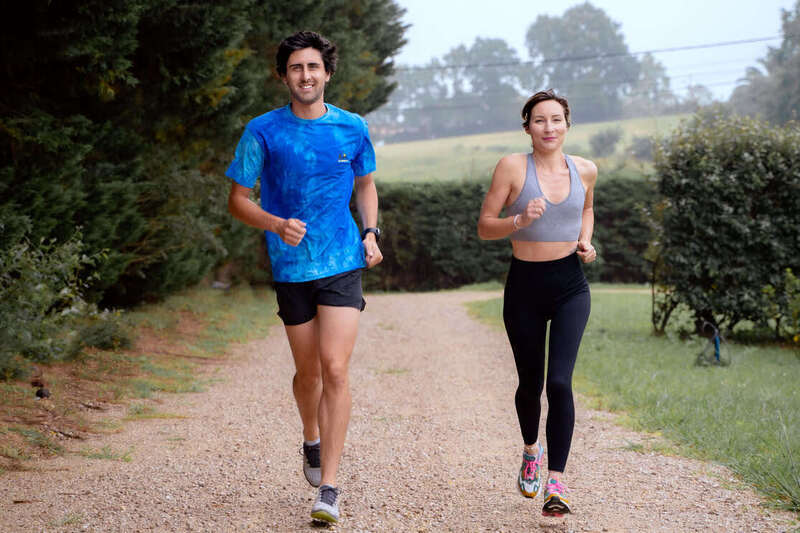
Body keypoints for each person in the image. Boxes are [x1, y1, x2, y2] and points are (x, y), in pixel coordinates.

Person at [225, 30, 382, 525]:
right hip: (291, 267)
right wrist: (275, 224)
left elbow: (366, 184)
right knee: (308, 373)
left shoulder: (352, 128)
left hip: (340, 261)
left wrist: (371, 232)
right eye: (296, 68)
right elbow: (237, 200)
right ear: (284, 75)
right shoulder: (262, 131)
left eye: (313, 67)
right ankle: (310, 438)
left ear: (327, 73)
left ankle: (330, 487)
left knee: (335, 368)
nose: (306, 75)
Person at [477, 89, 597, 517]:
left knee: (560, 383)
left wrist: (586, 241)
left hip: (570, 286)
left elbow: (586, 209)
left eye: (557, 119)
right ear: (527, 126)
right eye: (540, 120)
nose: (549, 127)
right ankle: (531, 449)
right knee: (531, 384)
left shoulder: (586, 169)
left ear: (568, 124)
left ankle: (557, 484)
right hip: (524, 286)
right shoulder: (512, 167)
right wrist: (519, 220)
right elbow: (485, 227)